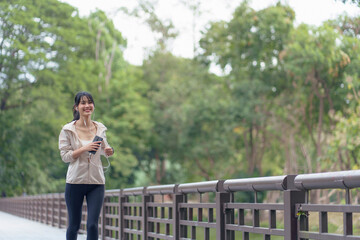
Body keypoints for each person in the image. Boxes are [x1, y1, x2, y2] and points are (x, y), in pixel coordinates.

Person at [58, 91, 113, 240]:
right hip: (75, 182)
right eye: (83, 103)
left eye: (90, 102)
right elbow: (65, 156)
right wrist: (84, 148)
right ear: (76, 107)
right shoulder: (68, 130)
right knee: (74, 225)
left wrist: (108, 150)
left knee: (92, 225)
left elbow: (103, 149)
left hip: (96, 182)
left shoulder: (100, 128)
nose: (87, 106)